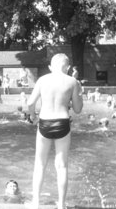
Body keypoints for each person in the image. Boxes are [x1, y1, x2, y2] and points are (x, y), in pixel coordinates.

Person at [27, 53, 83, 209]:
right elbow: (77, 109)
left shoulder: (42, 80)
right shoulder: (72, 81)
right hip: (63, 122)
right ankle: (62, 205)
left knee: (39, 164)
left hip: (44, 121)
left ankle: (36, 203)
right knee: (62, 166)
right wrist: (79, 92)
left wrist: (33, 117)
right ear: (68, 67)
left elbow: (30, 102)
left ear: (50, 67)